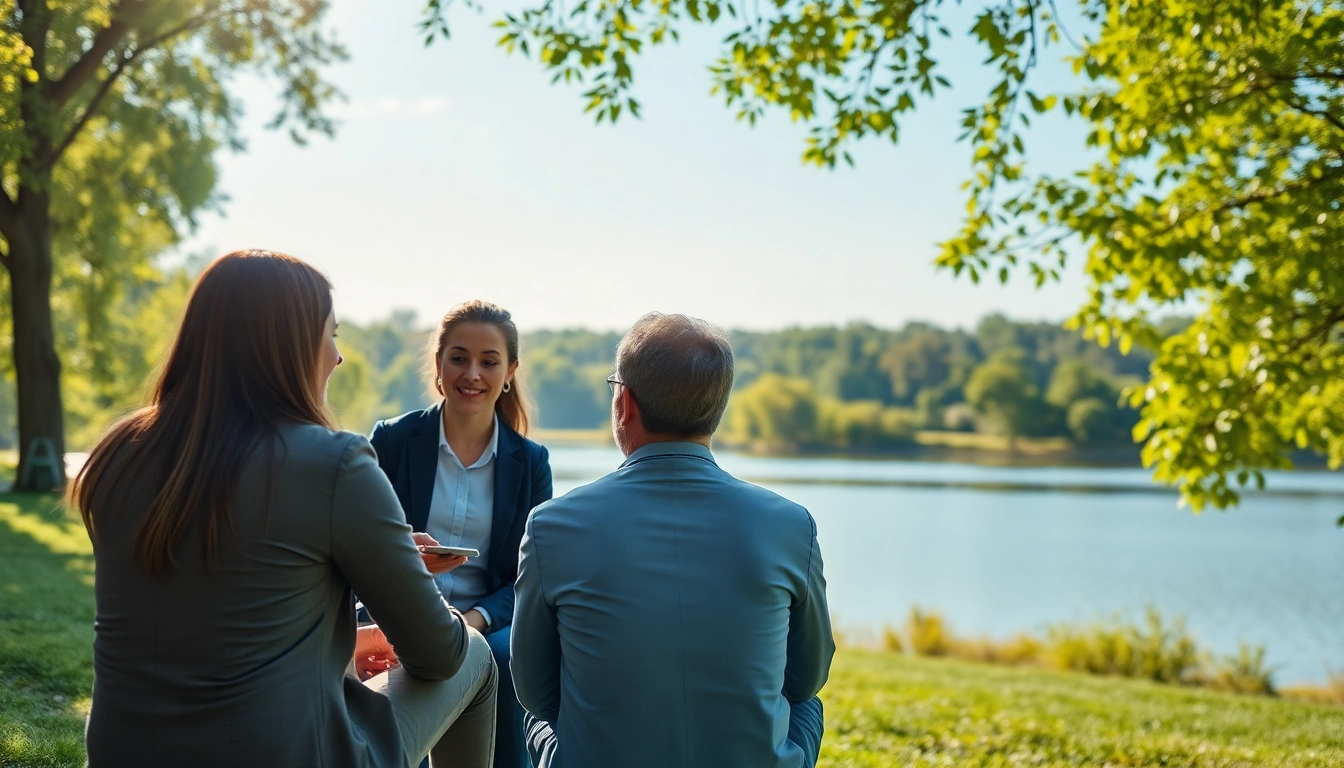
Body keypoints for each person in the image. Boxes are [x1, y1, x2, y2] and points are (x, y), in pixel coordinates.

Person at [74, 250, 497, 768]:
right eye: (331, 334)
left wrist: (350, 620)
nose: (337, 356)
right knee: (474, 655)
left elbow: (198, 608)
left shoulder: (118, 452)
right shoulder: (335, 462)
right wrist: (398, 571)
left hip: (126, 754)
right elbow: (437, 655)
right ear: (291, 347)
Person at [511, 312, 835, 768]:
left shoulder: (551, 525)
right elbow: (806, 679)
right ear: (716, 410)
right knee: (805, 706)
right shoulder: (790, 525)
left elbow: (536, 694)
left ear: (624, 403)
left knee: (542, 719)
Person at [368, 300, 553, 768]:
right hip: (391, 609)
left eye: (488, 361)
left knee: (504, 654)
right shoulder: (391, 441)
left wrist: (471, 620)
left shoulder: (531, 464)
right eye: (459, 357)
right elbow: (360, 550)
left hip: (484, 625)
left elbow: (532, 579)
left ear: (509, 371)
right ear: (438, 364)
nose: (472, 373)